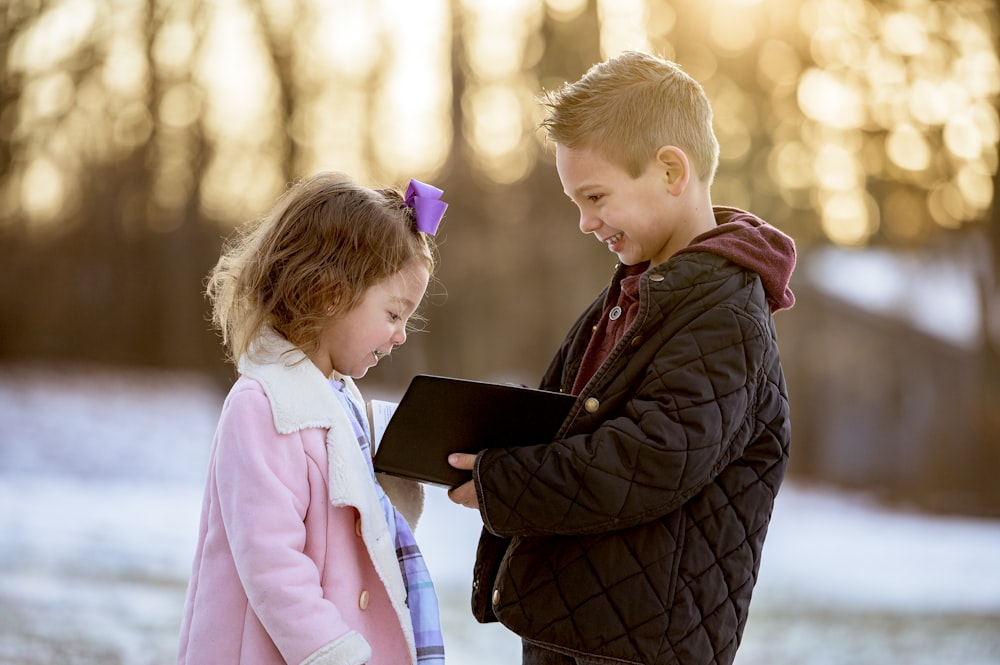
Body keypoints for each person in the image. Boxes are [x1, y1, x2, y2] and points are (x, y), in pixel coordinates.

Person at [447, 51, 796, 665]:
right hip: (574, 626)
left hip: (644, 648)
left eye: (596, 196)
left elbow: (650, 459)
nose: (585, 222)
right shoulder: (632, 297)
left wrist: (504, 482)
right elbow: (564, 422)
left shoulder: (724, 314)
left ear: (670, 171)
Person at [177, 173, 449, 665]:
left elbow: (354, 531)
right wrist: (337, 655)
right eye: (393, 314)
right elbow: (273, 564)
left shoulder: (340, 400)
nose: (401, 335)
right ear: (330, 294)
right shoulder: (263, 405)